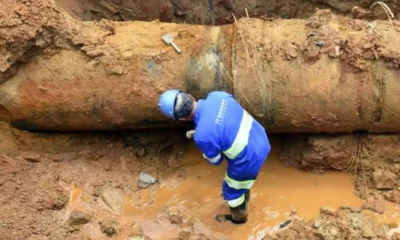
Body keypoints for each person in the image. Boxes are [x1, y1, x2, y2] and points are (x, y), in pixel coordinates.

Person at [158, 90, 271, 224]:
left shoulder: (203, 137)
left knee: (231, 190)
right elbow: (224, 119)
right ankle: (244, 188)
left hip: (250, 157)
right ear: (190, 96)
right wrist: (207, 133)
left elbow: (216, 161)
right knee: (241, 182)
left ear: (181, 119)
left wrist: (203, 140)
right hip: (260, 137)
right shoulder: (217, 95)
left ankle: (239, 218)